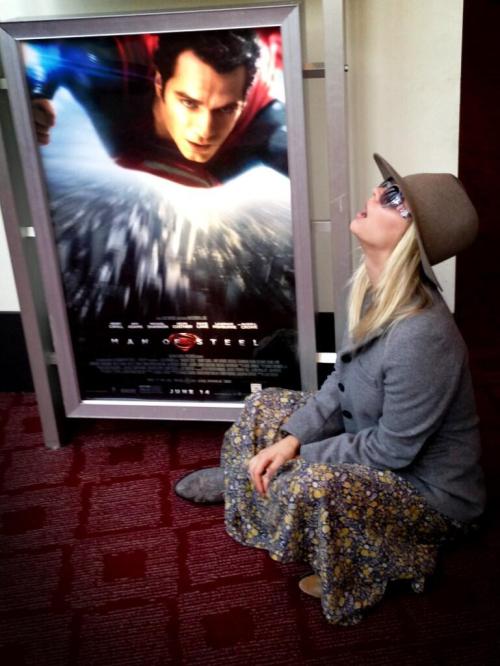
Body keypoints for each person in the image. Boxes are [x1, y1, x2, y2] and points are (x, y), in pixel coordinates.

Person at [177, 153, 486, 625]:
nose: (376, 194)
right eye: (385, 186)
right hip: (369, 435)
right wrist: (290, 439)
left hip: (430, 494)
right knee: (265, 406)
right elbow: (340, 383)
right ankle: (248, 483)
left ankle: (396, 557)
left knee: (310, 482)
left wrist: (300, 458)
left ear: (411, 238)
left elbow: (393, 451)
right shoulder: (369, 289)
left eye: (394, 198)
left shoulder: (423, 335)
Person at [28, 29, 287, 187]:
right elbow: (54, 52)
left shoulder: (266, 126)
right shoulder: (110, 77)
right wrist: (37, 94)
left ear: (243, 102)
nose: (205, 130)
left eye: (226, 109)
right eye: (189, 103)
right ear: (160, 84)